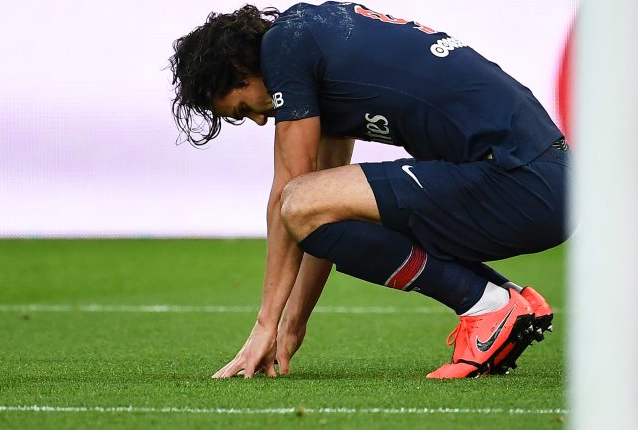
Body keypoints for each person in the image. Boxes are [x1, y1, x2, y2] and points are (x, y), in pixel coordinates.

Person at [168, 1, 569, 379]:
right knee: (314, 203)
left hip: (524, 181)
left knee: (298, 200)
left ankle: (487, 305)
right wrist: (292, 325)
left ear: (240, 67)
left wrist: (264, 325)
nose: (258, 120)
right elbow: (321, 210)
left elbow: (289, 198)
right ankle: (506, 299)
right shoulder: (313, 38)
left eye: (244, 108)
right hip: (543, 181)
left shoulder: (284, 47)